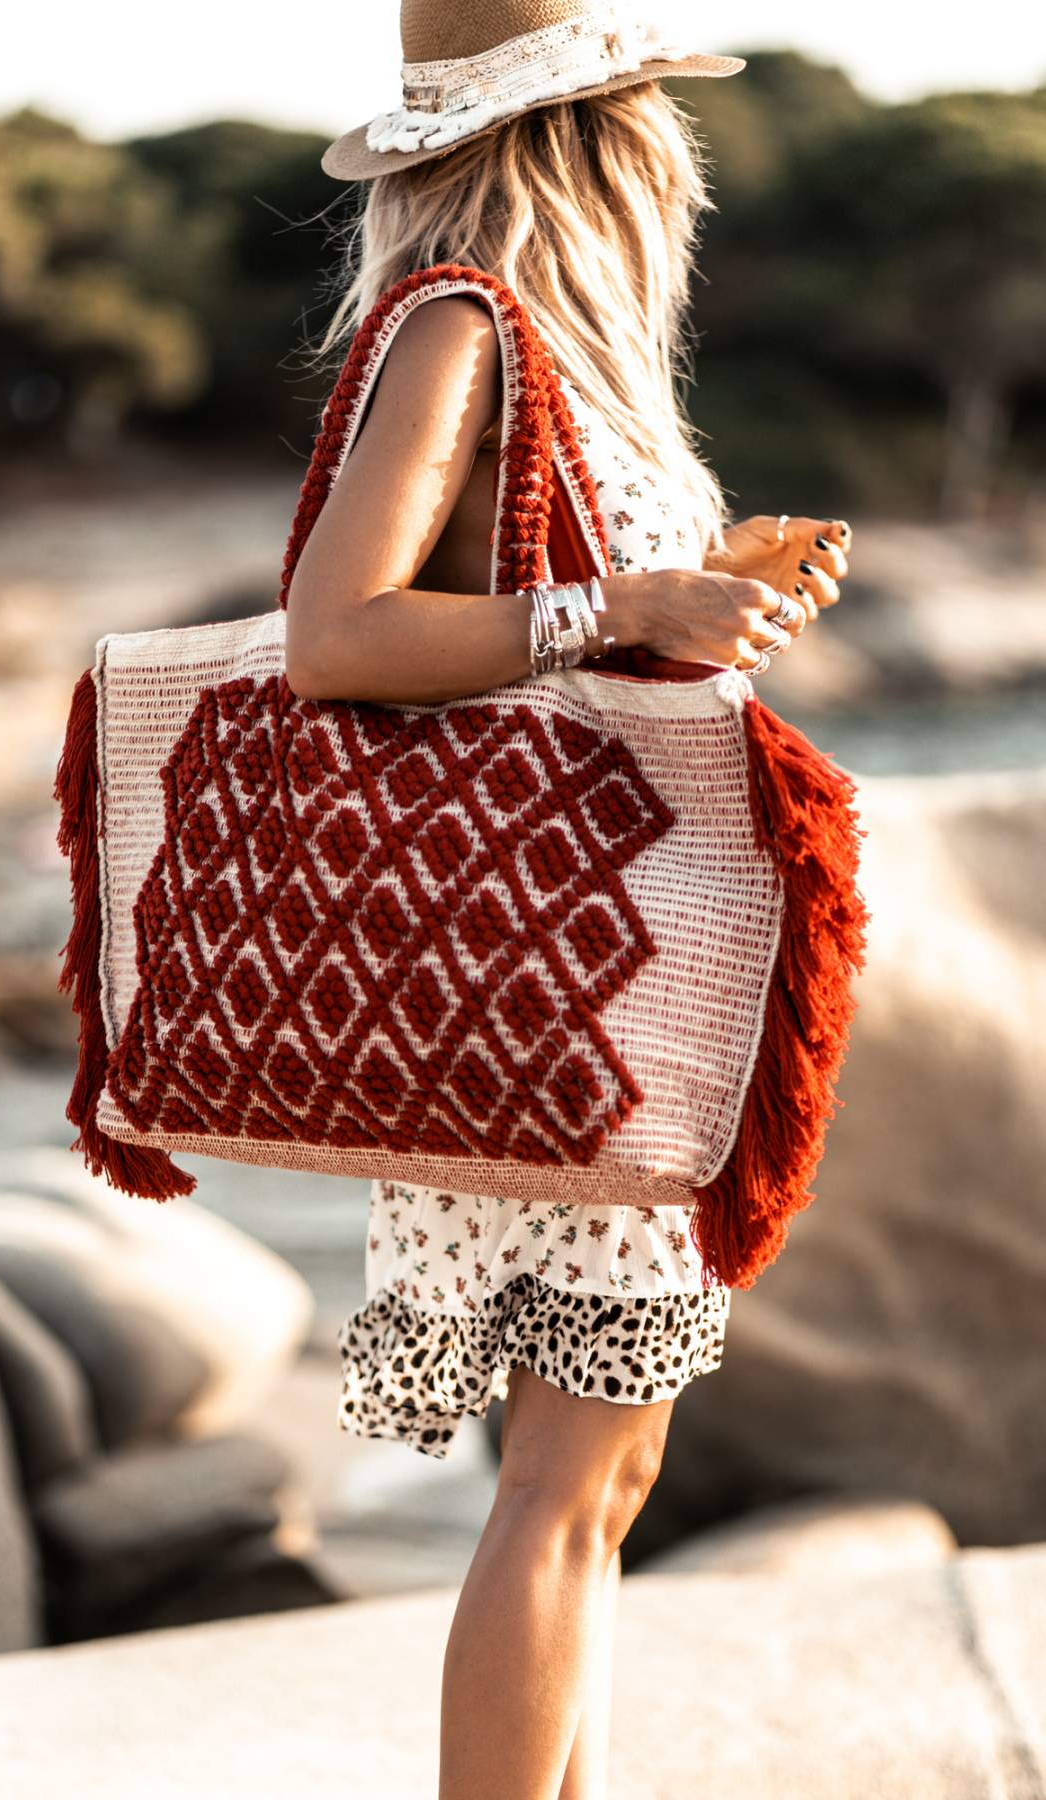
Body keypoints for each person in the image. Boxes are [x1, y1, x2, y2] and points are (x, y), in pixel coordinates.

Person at [285, 5, 852, 1795]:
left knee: (594, 1486)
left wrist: (698, 588)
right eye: (646, 123)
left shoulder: (556, 362)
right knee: (562, 1489)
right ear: (590, 148)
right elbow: (334, 635)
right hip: (536, 978)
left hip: (577, 958)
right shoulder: (460, 327)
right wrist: (626, 613)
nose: (673, 159)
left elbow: (546, 607)